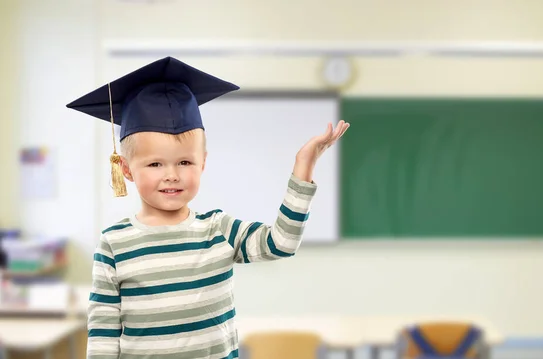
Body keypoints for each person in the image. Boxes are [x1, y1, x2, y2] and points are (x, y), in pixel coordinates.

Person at [66, 56, 349, 359]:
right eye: (155, 163)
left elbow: (282, 243)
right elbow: (103, 337)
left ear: (203, 163)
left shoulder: (219, 229)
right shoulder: (114, 243)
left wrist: (303, 167)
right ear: (126, 169)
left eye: (185, 162)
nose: (171, 174)